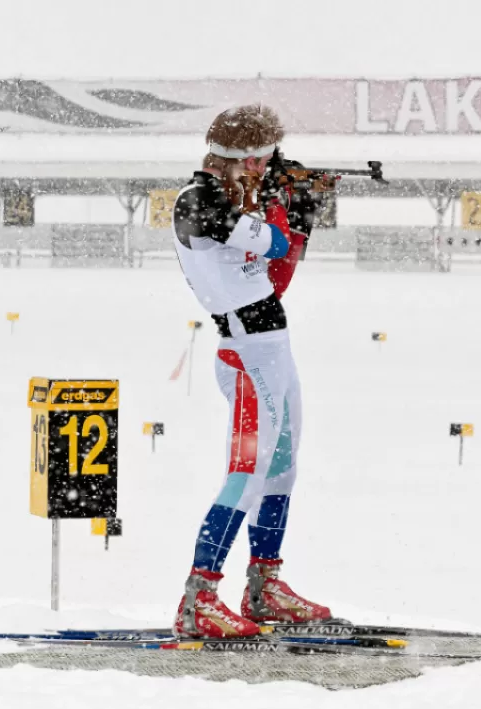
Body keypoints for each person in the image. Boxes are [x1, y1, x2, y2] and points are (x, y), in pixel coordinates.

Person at [169, 104, 330, 638]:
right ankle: (201, 595)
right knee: (246, 475)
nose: (264, 171)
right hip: (244, 355)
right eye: (260, 162)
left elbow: (278, 274)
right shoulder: (198, 202)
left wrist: (298, 206)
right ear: (239, 159)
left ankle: (265, 585)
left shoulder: (240, 200)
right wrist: (281, 209)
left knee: (282, 469)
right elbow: (272, 242)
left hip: (274, 351)